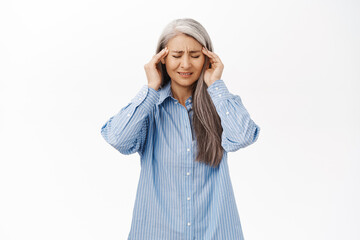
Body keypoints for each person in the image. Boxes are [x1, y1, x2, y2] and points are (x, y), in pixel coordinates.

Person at [100, 18, 260, 240]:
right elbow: (117, 138)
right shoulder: (150, 109)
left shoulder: (220, 105)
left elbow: (243, 136)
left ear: (207, 58)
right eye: (176, 56)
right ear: (162, 59)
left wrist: (216, 85)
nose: (185, 64)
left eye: (195, 55)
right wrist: (150, 88)